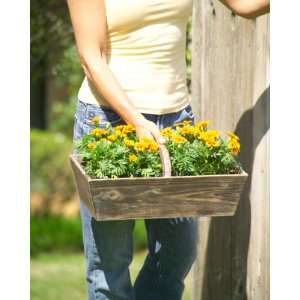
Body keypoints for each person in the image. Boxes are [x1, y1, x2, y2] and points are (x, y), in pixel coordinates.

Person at [66, 1, 269, 299]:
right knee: (109, 267)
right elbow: (90, 58)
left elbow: (245, 4)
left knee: (178, 253)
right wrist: (135, 119)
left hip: (176, 120)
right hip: (109, 123)